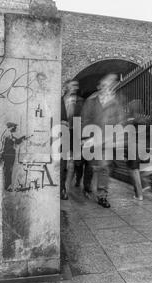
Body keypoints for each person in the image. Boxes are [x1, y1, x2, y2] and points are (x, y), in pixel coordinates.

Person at [81, 74, 125, 208]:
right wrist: (86, 137)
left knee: (104, 167)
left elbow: (120, 120)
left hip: (107, 140)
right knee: (91, 166)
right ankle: (87, 186)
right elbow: (84, 119)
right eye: (105, 85)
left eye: (110, 85)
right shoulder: (91, 101)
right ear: (99, 86)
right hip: (93, 139)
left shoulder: (115, 102)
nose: (108, 87)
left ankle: (102, 195)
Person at [60, 79, 84, 200]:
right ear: (66, 86)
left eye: (76, 85)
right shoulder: (59, 100)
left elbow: (83, 119)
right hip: (61, 135)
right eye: (73, 85)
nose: (75, 87)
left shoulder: (80, 101)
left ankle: (66, 188)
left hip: (75, 135)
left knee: (72, 164)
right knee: (63, 163)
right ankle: (62, 188)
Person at [1, 122, 28, 192]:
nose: (15, 129)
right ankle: (7, 187)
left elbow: (16, 141)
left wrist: (23, 138)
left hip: (8, 155)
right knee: (8, 172)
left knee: (8, 171)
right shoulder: (8, 135)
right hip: (8, 156)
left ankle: (8, 186)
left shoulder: (7, 134)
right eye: (14, 127)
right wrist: (23, 138)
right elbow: (16, 142)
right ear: (11, 128)